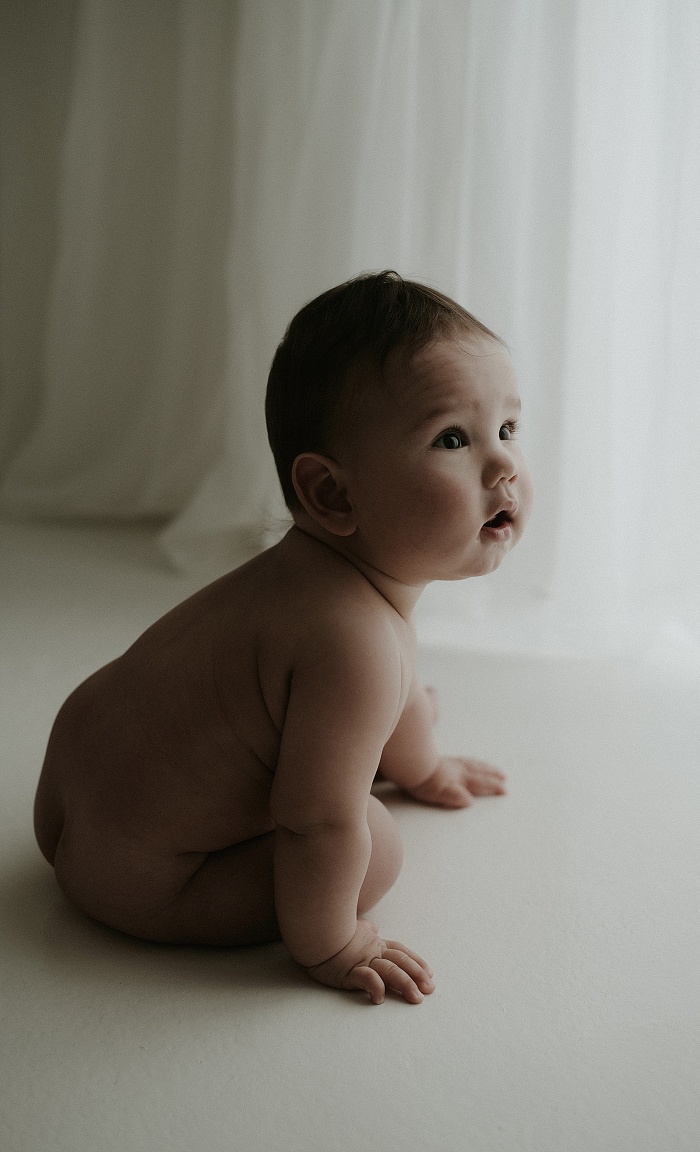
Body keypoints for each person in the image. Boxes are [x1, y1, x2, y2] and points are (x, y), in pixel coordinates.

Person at [33, 271, 533, 1005]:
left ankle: (397, 744)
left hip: (67, 811)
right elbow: (316, 820)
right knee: (374, 841)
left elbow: (386, 688)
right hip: (154, 881)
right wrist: (334, 941)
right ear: (332, 494)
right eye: (452, 439)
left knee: (376, 706)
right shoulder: (355, 642)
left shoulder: (302, 585)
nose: (504, 467)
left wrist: (420, 765)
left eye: (509, 430)